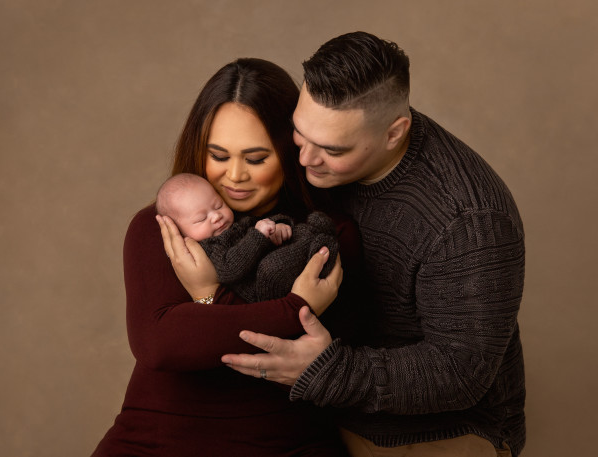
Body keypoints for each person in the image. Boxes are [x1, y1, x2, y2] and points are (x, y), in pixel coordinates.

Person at [221, 32, 526, 457]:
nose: (305, 159)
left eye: (332, 149)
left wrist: (328, 370)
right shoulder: (321, 158)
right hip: (323, 412)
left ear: (394, 132)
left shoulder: (469, 220)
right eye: (300, 133)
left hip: (436, 435)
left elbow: (462, 372)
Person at [91, 57, 363, 457]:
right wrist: (294, 309)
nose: (234, 176)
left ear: (290, 152)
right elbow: (161, 345)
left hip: (282, 444)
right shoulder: (164, 225)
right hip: (153, 441)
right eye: (218, 156)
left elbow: (316, 355)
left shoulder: (324, 233)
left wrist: (207, 297)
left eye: (255, 159)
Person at [155, 172, 340, 302]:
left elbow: (257, 223)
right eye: (201, 219)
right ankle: (321, 248)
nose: (216, 216)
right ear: (179, 232)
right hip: (262, 287)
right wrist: (258, 236)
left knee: (297, 232)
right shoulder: (207, 249)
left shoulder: (236, 223)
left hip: (277, 256)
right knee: (272, 267)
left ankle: (316, 234)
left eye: (218, 205)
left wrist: (277, 226)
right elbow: (229, 268)